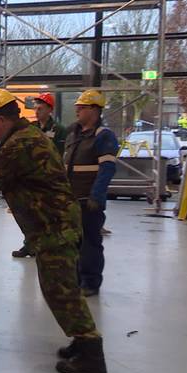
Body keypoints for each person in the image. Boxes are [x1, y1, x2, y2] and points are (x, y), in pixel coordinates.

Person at [0, 88, 106, 373]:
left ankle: (91, 351)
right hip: (52, 225)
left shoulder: (20, 143)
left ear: (1, 119)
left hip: (55, 227)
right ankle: (82, 342)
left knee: (60, 291)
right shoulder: (24, 138)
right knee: (59, 289)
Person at [63, 90, 118, 297]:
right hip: (70, 200)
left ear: (94, 110)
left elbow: (106, 170)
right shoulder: (74, 134)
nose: (77, 110)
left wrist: (96, 196)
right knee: (72, 242)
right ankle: (76, 279)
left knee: (90, 244)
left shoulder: (103, 136)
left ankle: (91, 282)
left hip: (88, 201)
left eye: (82, 107)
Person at [13, 92, 67, 258]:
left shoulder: (59, 130)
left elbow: (59, 154)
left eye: (41, 108)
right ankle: (29, 244)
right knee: (29, 213)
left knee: (46, 213)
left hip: (49, 178)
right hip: (32, 177)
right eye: (36, 108)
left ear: (50, 110)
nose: (37, 112)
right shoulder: (32, 128)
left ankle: (44, 244)